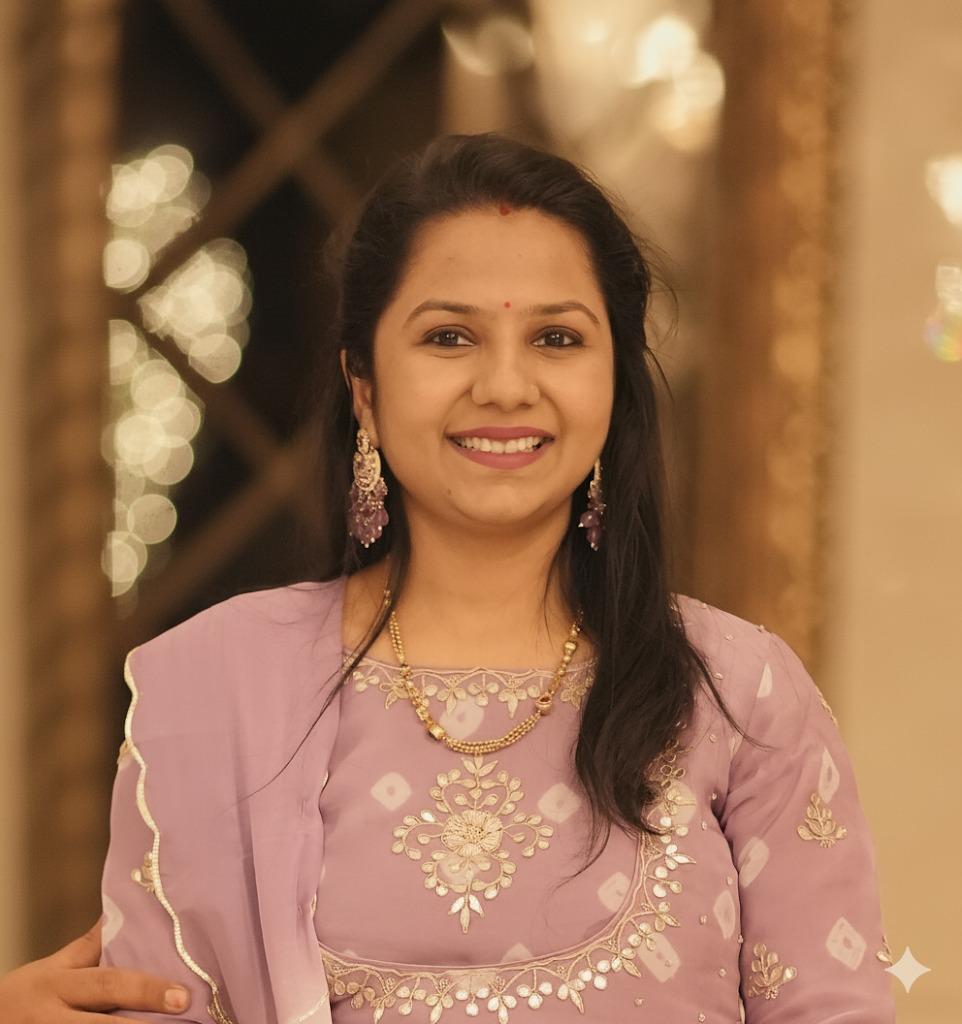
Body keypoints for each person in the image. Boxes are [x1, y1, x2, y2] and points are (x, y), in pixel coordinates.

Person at [0, 132, 897, 1022]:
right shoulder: (215, 687)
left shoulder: (738, 696)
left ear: (615, 384)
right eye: (449, 336)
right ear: (364, 386)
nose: (505, 386)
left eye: (556, 337)